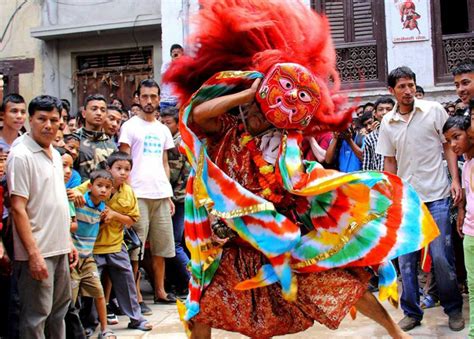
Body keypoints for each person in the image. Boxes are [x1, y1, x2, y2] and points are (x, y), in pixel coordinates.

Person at [164, 1, 439, 338]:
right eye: (260, 109)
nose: (266, 116)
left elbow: (301, 178)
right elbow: (197, 115)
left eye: (270, 111)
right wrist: (248, 93)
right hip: (231, 240)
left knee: (342, 281)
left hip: (284, 232)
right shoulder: (225, 130)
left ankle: (397, 333)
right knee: (203, 303)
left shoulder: (287, 141)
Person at [376, 66, 464, 332]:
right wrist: (388, 198)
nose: (408, 91)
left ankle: (453, 309)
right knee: (405, 260)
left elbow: (448, 145)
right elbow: (389, 161)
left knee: (440, 256)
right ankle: (412, 312)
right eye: (401, 87)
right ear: (391, 91)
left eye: (411, 85)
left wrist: (455, 180)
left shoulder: (433, 111)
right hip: (406, 200)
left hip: (437, 194)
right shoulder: (387, 122)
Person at [7, 95, 78, 338]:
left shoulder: (57, 156)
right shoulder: (21, 155)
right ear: (31, 119)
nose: (48, 125)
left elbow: (57, 201)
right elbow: (18, 208)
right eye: (42, 119)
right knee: (36, 316)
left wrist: (68, 241)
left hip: (59, 247)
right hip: (37, 251)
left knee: (58, 312)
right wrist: (33, 254)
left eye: (54, 120)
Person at [69, 151, 153, 331]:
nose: (123, 173)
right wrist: (75, 195)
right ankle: (91, 324)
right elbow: (75, 192)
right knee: (91, 288)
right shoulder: (95, 182)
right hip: (92, 247)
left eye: (127, 169)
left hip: (116, 244)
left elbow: (132, 219)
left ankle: (136, 318)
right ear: (108, 168)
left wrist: (114, 215)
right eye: (119, 168)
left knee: (126, 280)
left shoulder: (129, 192)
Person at [119, 79, 176, 304]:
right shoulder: (130, 126)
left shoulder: (163, 129)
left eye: (153, 96)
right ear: (137, 98)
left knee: (161, 248)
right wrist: (127, 194)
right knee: (136, 250)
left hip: (160, 194)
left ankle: (160, 291)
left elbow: (165, 162)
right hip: (137, 194)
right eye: (145, 96)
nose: (149, 101)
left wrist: (168, 193)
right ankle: (137, 296)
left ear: (159, 99)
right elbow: (123, 162)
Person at [443, 113, 474, 337]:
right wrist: (462, 212)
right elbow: (465, 194)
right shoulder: (466, 165)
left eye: (457, 137)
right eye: (449, 140)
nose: (453, 145)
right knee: (472, 286)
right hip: (471, 234)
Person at [160, 106, 190, 297]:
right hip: (182, 197)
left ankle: (192, 280)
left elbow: (172, 173)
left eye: (167, 123)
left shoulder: (175, 145)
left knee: (174, 244)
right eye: (161, 122)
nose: (163, 126)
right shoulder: (179, 140)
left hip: (177, 198)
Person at [74, 94, 117, 182]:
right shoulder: (74, 140)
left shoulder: (111, 146)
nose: (98, 113)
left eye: (103, 110)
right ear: (84, 113)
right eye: (94, 109)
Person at [362, 96, 395, 171]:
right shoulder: (370, 138)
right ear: (375, 114)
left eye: (388, 109)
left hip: (400, 180)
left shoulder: (401, 133)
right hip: (380, 181)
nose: (384, 112)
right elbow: (367, 166)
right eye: (381, 109)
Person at [160, 44, 184, 111]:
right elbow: (166, 77)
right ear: (171, 54)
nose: (176, 54)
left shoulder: (186, 67)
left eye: (178, 52)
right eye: (174, 52)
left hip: (178, 101)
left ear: (182, 54)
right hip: (166, 100)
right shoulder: (166, 65)